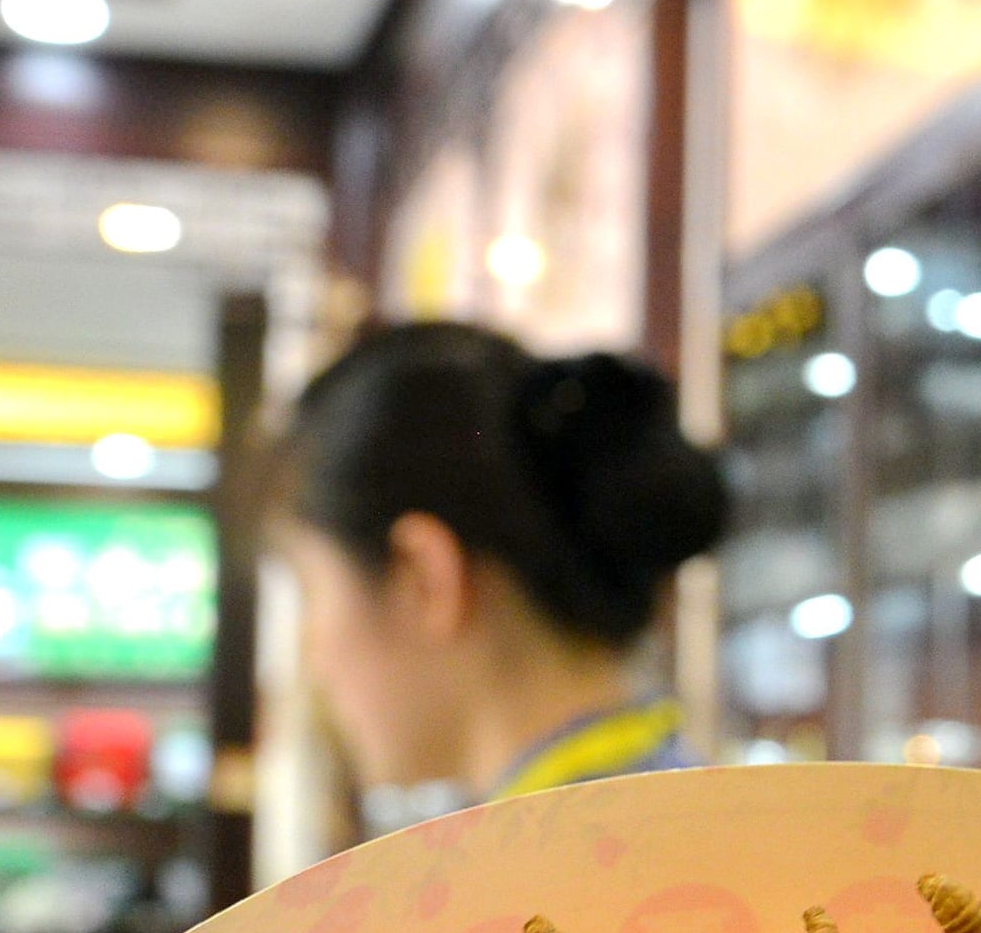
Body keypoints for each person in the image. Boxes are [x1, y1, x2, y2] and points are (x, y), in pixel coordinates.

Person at [270, 324, 726, 805]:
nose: (311, 654)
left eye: (310, 591)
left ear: (423, 577)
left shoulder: (532, 867)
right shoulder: (700, 816)